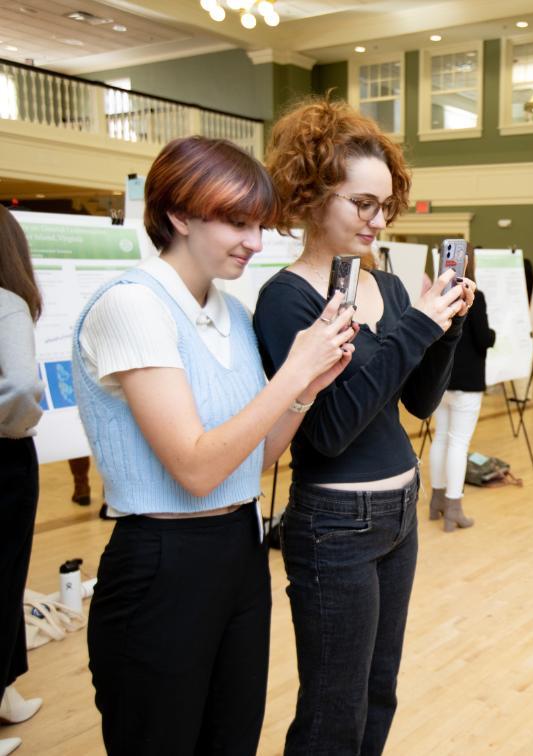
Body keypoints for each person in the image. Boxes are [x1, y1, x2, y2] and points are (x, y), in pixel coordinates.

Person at [76, 137, 356, 755]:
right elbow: (196, 468)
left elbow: (252, 461)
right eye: (236, 222)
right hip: (161, 560)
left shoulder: (230, 310)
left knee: (232, 739)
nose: (254, 243)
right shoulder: (132, 306)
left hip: (238, 549)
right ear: (178, 214)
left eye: (258, 225)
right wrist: (290, 373)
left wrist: (307, 388)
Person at [254, 97, 473, 755]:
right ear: (312, 197)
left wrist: (447, 330)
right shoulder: (288, 298)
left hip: (400, 512)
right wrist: (417, 329)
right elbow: (331, 430)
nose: (378, 220)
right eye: (362, 204)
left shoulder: (394, 288)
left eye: (385, 204)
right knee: (333, 710)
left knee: (380, 691)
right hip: (336, 525)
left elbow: (420, 404)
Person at [0, 206, 45, 756]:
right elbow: (19, 391)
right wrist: (20, 426)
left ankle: (7, 689)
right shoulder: (9, 304)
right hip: (6, 460)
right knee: (5, 576)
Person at [427, 248, 495, 531]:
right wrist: (493, 334)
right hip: (467, 382)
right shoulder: (473, 297)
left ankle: (436, 501)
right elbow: (483, 340)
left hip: (441, 380)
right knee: (458, 442)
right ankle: (454, 507)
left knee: (441, 438)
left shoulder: (435, 297)